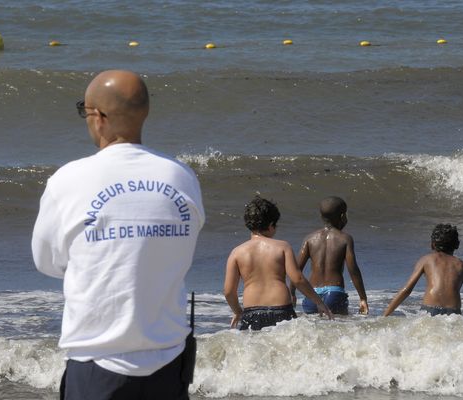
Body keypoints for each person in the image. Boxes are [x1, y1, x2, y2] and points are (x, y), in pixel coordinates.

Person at [32, 70, 205, 400]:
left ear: (98, 117)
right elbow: (179, 251)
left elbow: (47, 262)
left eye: (85, 110)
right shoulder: (182, 177)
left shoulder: (68, 180)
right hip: (169, 360)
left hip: (96, 362)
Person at [223, 196, 333, 330]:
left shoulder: (236, 252)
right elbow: (297, 279)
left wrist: (238, 311)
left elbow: (228, 291)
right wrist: (319, 302)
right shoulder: (282, 247)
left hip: (252, 312)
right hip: (281, 309)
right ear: (271, 225)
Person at [383, 224, 463, 319]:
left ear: (432, 244)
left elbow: (406, 290)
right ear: (457, 245)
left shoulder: (426, 260)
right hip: (453, 314)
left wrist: (385, 315)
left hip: (428, 310)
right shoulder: (461, 265)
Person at [290, 196, 369, 315]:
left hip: (312, 295)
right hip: (335, 294)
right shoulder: (345, 238)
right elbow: (353, 270)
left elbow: (296, 269)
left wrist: (292, 293)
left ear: (321, 217)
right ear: (343, 216)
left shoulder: (310, 239)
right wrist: (363, 298)